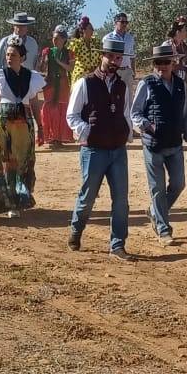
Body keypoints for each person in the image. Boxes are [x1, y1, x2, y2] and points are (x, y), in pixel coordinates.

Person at [67, 37, 135, 259]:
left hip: (117, 149)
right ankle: (76, 230)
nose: (114, 61)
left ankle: (117, 245)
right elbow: (72, 115)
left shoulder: (122, 85)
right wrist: (88, 131)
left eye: (118, 57)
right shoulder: (84, 83)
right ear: (102, 56)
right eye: (111, 56)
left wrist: (127, 134)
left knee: (121, 199)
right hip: (94, 150)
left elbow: (126, 114)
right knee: (88, 196)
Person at [132, 41, 187, 245]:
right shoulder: (146, 83)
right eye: (158, 63)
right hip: (153, 145)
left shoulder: (180, 85)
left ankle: (154, 211)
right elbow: (135, 113)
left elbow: (186, 115)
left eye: (165, 62)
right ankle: (163, 228)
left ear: (173, 63)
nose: (161, 66)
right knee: (157, 188)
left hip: (175, 144)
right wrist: (146, 125)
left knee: (178, 184)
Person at [0, 40, 45, 216]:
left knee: (23, 161)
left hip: (23, 123)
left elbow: (35, 103)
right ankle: (9, 203)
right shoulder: (0, 75)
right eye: (7, 55)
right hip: (4, 123)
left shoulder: (32, 77)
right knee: (6, 161)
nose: (9, 58)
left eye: (13, 55)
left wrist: (41, 126)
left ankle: (20, 199)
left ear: (22, 58)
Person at [41, 26, 74, 147]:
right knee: (51, 109)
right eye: (54, 38)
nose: (55, 40)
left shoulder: (69, 52)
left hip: (63, 83)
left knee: (61, 109)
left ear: (64, 39)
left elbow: (71, 68)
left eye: (58, 38)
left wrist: (58, 62)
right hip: (50, 83)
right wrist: (44, 61)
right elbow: (42, 68)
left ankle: (60, 138)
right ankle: (51, 137)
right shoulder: (48, 51)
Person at [68, 17, 100, 86]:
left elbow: (100, 58)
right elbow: (70, 59)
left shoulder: (96, 43)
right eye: (90, 28)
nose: (93, 30)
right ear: (84, 30)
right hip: (81, 76)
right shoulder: (76, 43)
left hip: (94, 75)